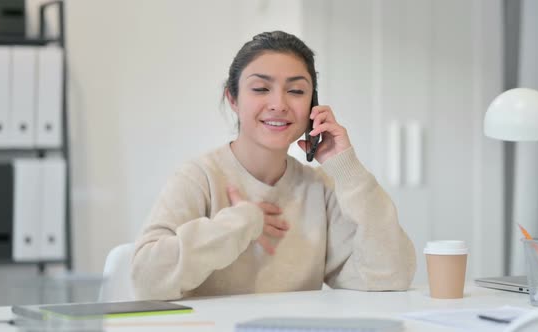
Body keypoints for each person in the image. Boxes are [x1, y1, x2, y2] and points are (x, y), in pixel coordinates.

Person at [131, 31, 416, 300]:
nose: (279, 104)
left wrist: (347, 168)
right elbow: (146, 280)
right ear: (233, 99)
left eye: (296, 91)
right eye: (260, 88)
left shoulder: (319, 188)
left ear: (312, 106)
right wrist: (242, 222)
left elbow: (390, 277)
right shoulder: (200, 177)